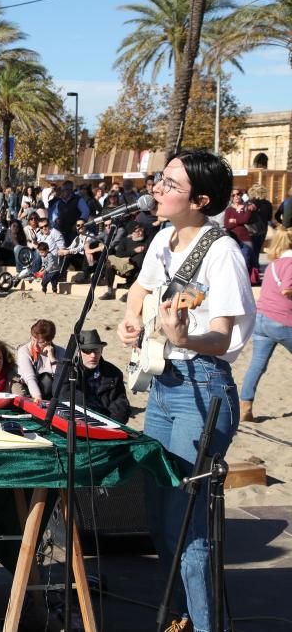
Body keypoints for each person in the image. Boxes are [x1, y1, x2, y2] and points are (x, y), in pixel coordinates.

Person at [117, 149, 255, 632]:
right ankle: (177, 617)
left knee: (188, 524)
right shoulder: (163, 239)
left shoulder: (222, 252)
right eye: (160, 179)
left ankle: (204, 626)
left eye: (169, 184)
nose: (157, 189)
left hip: (202, 387)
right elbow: (141, 288)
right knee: (157, 514)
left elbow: (221, 337)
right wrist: (133, 318)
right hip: (162, 385)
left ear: (200, 199)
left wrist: (184, 337)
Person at [238, 226, 292, 422]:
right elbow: (287, 290)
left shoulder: (274, 264)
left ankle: (245, 406)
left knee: (257, 365)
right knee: (257, 364)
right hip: (282, 321)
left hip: (262, 319)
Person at [59, 329, 131, 424]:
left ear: (102, 350)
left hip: (106, 422)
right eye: (87, 351)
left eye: (96, 350)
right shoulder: (66, 369)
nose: (93, 355)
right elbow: (63, 396)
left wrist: (112, 425)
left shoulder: (113, 373)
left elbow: (120, 405)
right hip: (76, 420)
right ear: (78, 352)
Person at [15, 320, 65, 403]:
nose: (35, 345)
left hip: (53, 396)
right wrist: (38, 399)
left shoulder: (61, 352)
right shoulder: (24, 351)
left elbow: (62, 379)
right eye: (33, 339)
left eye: (40, 342)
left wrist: (53, 360)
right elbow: (30, 378)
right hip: (32, 394)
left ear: (49, 341)